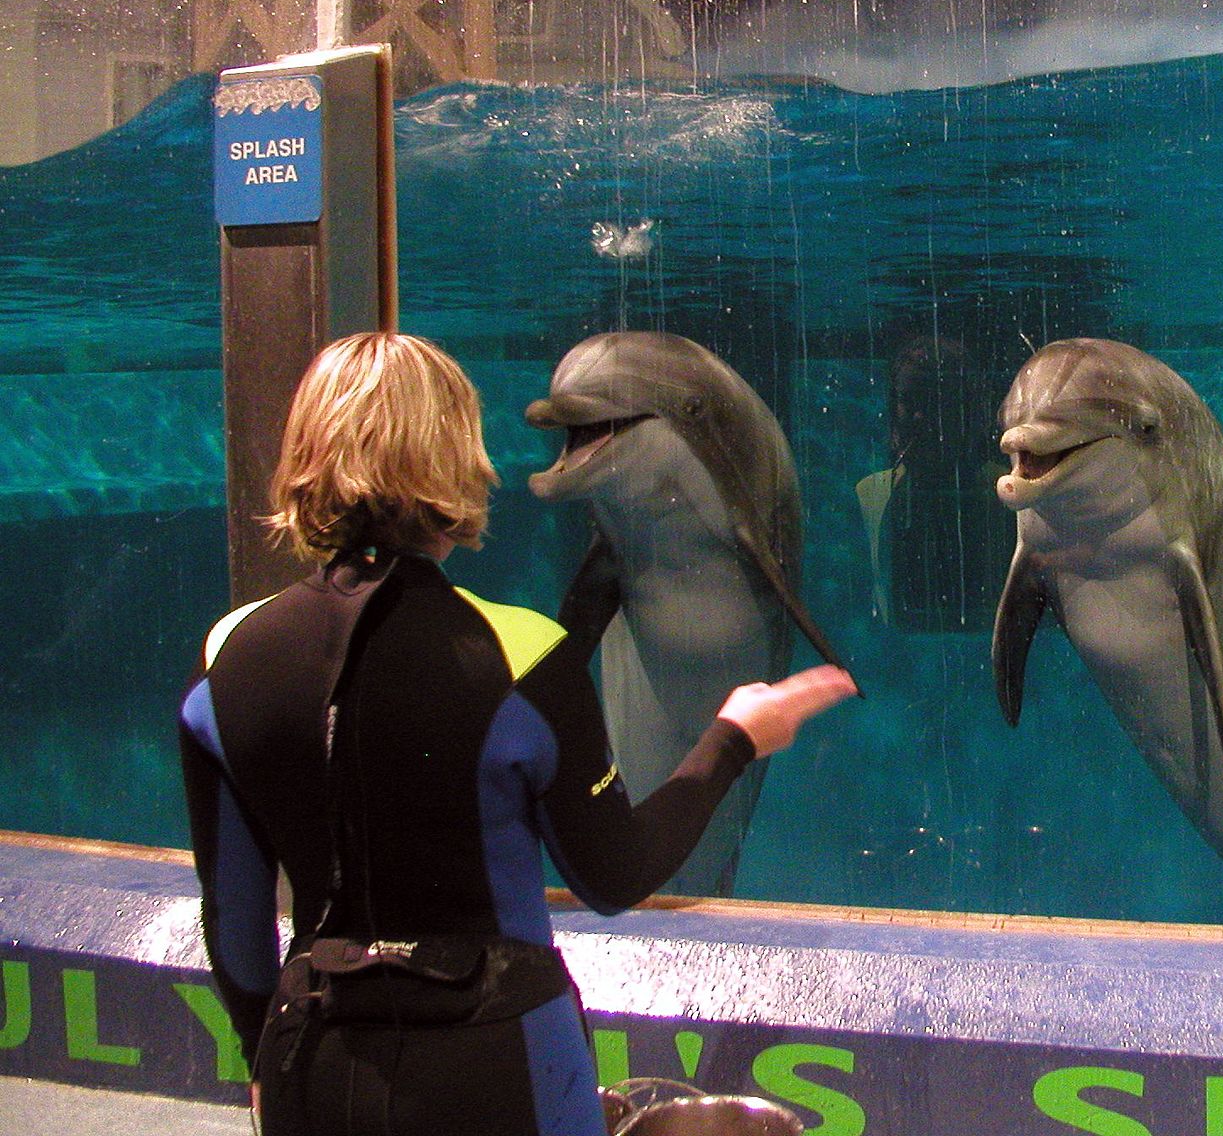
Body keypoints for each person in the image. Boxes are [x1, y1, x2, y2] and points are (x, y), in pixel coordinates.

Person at [179, 332, 855, 1136]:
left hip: (312, 1061)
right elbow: (615, 874)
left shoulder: (227, 658)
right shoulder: (518, 655)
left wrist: (266, 1053)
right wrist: (734, 739)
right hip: (498, 1062)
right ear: (455, 459)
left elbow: (236, 923)